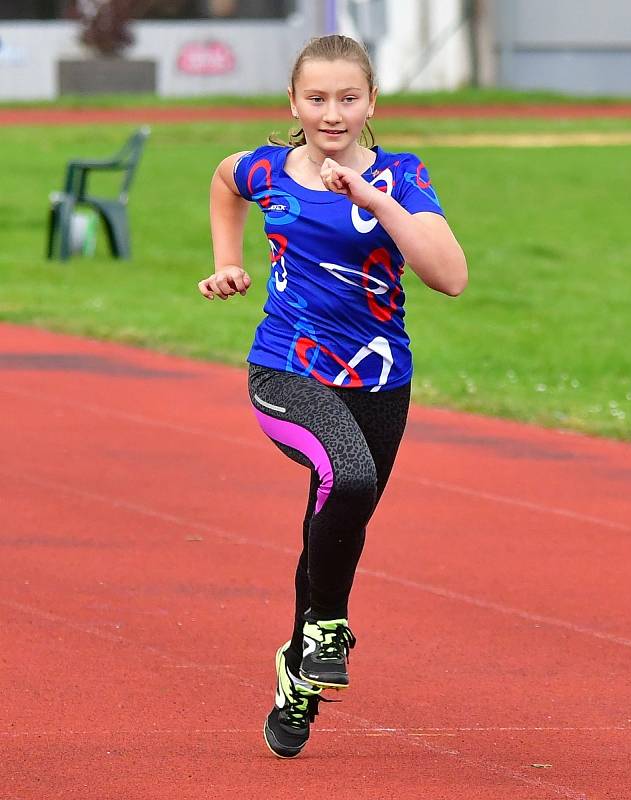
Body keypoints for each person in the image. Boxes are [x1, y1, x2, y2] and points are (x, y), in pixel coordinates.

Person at [198, 34, 467, 759]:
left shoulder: (403, 178)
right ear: (293, 103)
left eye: (347, 98)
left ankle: (297, 675)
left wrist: (374, 200)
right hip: (285, 368)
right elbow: (225, 182)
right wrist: (228, 263)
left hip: (381, 378)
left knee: (335, 510)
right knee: (345, 476)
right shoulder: (266, 168)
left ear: (371, 103)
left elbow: (449, 276)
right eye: (316, 98)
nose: (332, 112)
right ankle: (326, 628)